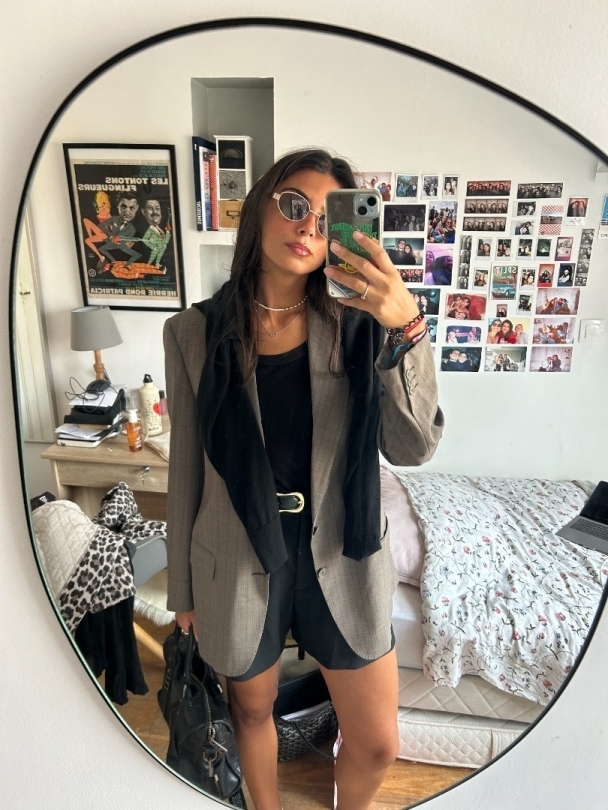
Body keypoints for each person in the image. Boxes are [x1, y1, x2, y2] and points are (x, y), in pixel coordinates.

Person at [163, 148, 444, 810]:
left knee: (376, 742)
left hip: (343, 550)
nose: (308, 226)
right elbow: (185, 467)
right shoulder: (192, 333)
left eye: (327, 217)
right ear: (260, 207)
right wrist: (183, 590)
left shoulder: (363, 325)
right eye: (294, 204)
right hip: (237, 554)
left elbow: (414, 446)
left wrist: (407, 326)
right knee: (251, 712)